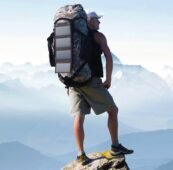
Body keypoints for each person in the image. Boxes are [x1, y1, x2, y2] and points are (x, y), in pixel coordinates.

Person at [67, 11, 133, 165]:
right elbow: (109, 57)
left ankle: (81, 155)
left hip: (72, 82)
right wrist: (109, 78)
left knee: (79, 116)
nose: (99, 23)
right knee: (113, 110)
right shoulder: (98, 36)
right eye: (97, 20)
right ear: (89, 21)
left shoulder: (72, 36)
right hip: (91, 81)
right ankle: (115, 146)